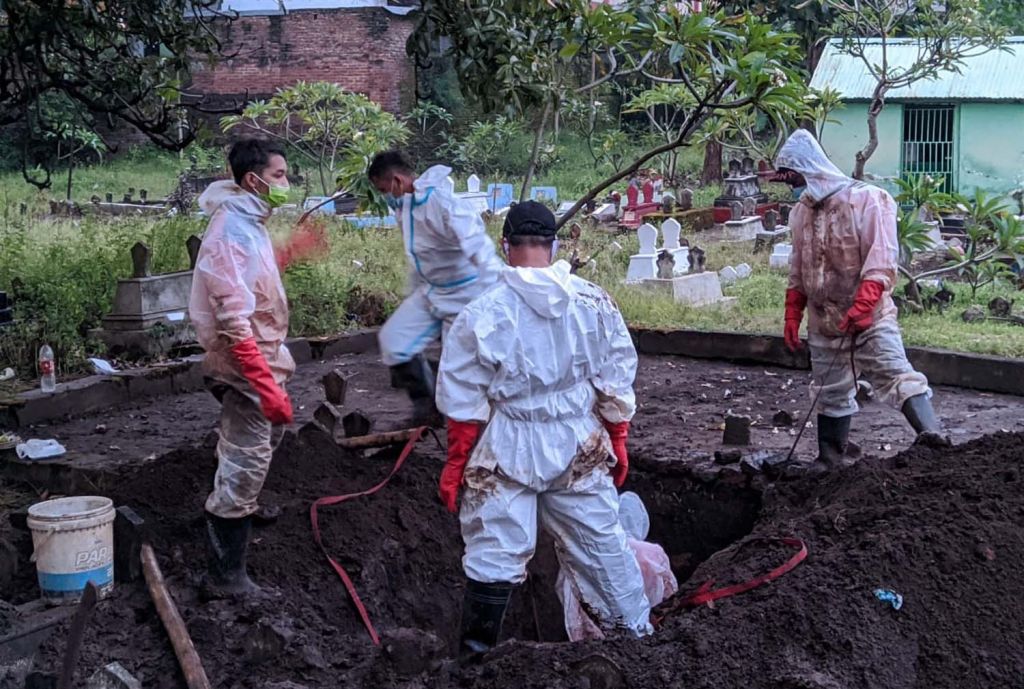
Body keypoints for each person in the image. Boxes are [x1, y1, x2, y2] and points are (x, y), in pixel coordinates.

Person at [435, 201, 652, 657]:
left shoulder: (481, 314)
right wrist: (617, 436)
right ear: (555, 245)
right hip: (578, 444)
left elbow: (464, 401)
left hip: (508, 444)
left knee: (494, 552)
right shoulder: (593, 301)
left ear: (504, 246)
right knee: (603, 549)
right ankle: (639, 647)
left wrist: (457, 463)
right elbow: (616, 376)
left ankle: (477, 659)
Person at [773, 129, 948, 468]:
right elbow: (799, 267)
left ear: (810, 171)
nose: (792, 187)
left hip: (870, 318)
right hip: (825, 319)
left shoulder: (868, 200)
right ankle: (829, 459)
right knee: (829, 390)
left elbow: (881, 260)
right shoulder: (801, 213)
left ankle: (936, 443)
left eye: (794, 178)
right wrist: (793, 313)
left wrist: (863, 305)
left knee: (896, 374)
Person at [189, 138, 313, 597]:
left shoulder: (248, 220)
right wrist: (261, 380)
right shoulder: (230, 230)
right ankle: (226, 573)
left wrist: (288, 254)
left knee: (267, 437)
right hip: (244, 360)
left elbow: (249, 277)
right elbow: (231, 314)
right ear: (253, 180)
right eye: (280, 176)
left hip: (264, 354)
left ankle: (243, 498)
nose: (286, 184)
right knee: (249, 451)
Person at [367, 151, 503, 424]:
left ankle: (477, 428)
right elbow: (420, 257)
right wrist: (412, 294)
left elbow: (480, 250)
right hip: (431, 292)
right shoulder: (405, 207)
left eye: (384, 190)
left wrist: (497, 297)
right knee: (394, 340)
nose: (385, 196)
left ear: (396, 180)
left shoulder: (445, 205)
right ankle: (426, 410)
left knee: (459, 373)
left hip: (467, 295)